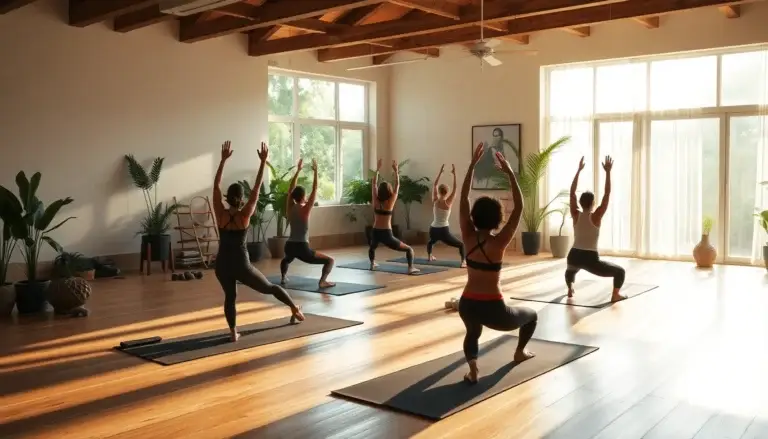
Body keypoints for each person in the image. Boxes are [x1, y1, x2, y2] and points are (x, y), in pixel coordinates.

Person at [458, 144, 538, 384]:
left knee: (473, 332)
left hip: (467, 303)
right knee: (532, 315)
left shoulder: (467, 235)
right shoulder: (500, 242)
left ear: (474, 217)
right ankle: (519, 352)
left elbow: (463, 198)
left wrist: (472, 166)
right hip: (494, 309)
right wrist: (510, 172)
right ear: (498, 219)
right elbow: (519, 207)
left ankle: (473, 368)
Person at [213, 140, 305, 342]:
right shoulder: (244, 215)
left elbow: (216, 186)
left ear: (228, 197)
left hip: (222, 264)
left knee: (230, 296)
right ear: (241, 198)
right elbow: (256, 189)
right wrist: (263, 162)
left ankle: (233, 332)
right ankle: (294, 308)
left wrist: (222, 161)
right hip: (241, 265)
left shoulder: (220, 214)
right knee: (270, 287)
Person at [565, 155, 626, 302]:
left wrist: (578, 170)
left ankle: (570, 288)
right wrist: (608, 172)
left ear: (580, 203)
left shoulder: (575, 214)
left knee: (571, 270)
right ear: (593, 203)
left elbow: (572, 193)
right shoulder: (597, 216)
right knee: (620, 272)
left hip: (573, 255)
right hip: (590, 259)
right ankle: (615, 295)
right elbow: (607, 194)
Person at [280, 158, 336, 288]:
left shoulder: (289, 208)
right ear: (304, 196)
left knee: (287, 259)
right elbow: (315, 188)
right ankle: (322, 282)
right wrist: (315, 171)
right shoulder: (305, 209)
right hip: (302, 248)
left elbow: (290, 189)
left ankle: (283, 277)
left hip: (289, 245)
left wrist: (298, 170)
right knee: (330, 261)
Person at [368, 159, 419, 274]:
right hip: (386, 233)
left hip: (375, 231)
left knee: (372, 247)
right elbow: (397, 186)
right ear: (389, 191)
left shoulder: (375, 201)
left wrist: (377, 169)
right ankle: (411, 268)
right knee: (409, 249)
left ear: (379, 191)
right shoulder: (390, 203)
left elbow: (373, 184)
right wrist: (396, 171)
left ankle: (372, 264)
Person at [427, 164, 466, 267]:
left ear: (439, 191)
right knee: (461, 245)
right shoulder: (448, 202)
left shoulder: (435, 200)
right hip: (443, 230)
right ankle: (463, 262)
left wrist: (440, 172)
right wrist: (454, 174)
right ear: (447, 192)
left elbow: (435, 185)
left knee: (431, 242)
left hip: (433, 229)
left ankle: (430, 256)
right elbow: (455, 188)